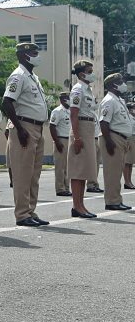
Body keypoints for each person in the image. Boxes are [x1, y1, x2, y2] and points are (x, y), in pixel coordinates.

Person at [2, 43, 50, 227]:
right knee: (23, 174)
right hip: (25, 127)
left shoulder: (33, 77)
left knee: (34, 174)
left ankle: (31, 210)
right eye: (32, 53)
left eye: (36, 52)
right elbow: (7, 102)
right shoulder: (18, 75)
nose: (36, 55)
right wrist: (19, 128)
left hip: (37, 128)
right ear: (22, 56)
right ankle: (22, 214)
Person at [66, 60, 98, 218]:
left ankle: (81, 205)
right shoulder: (78, 89)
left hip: (88, 128)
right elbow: (73, 114)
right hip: (81, 128)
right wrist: (77, 137)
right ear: (81, 74)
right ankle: (76, 206)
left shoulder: (88, 89)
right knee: (78, 170)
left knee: (84, 170)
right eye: (89, 71)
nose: (92, 73)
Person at [97, 73, 133, 210]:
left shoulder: (119, 100)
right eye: (120, 81)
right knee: (112, 172)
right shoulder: (109, 101)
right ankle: (112, 201)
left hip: (121, 139)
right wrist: (109, 141)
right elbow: (104, 123)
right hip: (113, 138)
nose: (123, 83)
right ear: (113, 85)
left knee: (117, 172)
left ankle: (116, 199)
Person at [49, 92, 72, 196]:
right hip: (61, 140)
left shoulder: (70, 111)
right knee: (60, 166)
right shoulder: (57, 111)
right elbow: (52, 127)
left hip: (69, 140)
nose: (70, 99)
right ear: (63, 100)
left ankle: (67, 187)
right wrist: (57, 142)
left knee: (68, 166)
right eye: (68, 98)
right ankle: (60, 189)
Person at [86, 119, 104, 193]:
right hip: (91, 139)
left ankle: (95, 184)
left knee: (96, 165)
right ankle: (90, 185)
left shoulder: (95, 114)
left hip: (97, 139)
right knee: (91, 164)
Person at [123, 103, 135, 189]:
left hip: (133, 138)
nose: (133, 109)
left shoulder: (133, 117)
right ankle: (127, 181)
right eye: (132, 108)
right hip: (129, 138)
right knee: (127, 162)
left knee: (130, 162)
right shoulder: (127, 117)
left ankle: (129, 181)